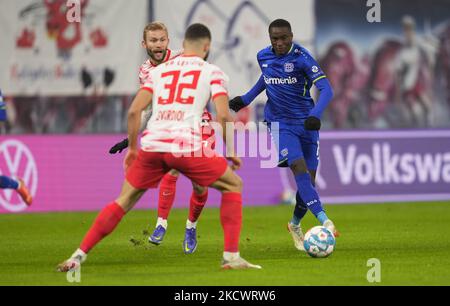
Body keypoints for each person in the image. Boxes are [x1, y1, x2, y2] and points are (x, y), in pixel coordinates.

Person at [57, 23, 261, 271]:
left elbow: (134, 111)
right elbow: (224, 115)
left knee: (123, 200)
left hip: (153, 143)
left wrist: (132, 148)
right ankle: (231, 258)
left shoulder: (158, 72)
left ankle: (77, 256)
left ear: (180, 45)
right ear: (206, 47)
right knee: (233, 184)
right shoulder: (212, 71)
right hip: (186, 144)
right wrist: (230, 150)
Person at [229, 19, 338, 252]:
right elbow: (266, 78)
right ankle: (324, 220)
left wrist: (316, 114)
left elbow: (327, 89)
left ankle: (295, 224)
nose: (279, 43)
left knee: (308, 180)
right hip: (279, 122)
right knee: (297, 167)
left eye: (283, 38)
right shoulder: (263, 56)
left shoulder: (302, 58)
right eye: (274, 39)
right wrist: (246, 99)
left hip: (306, 123)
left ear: (291, 36)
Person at [109, 22, 215, 254]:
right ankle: (161, 224)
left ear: (168, 40)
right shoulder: (145, 71)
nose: (158, 45)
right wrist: (131, 138)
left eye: (162, 40)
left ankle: (191, 227)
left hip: (200, 123)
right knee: (173, 169)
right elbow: (148, 108)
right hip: (172, 125)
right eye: (153, 40)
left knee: (200, 185)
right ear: (144, 43)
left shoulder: (182, 57)